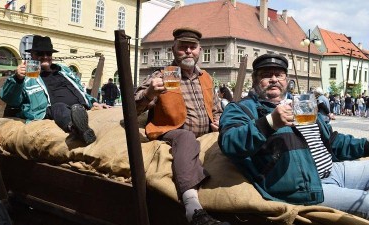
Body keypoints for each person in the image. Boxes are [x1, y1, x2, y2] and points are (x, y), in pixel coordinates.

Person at [218, 53, 369, 219]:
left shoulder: (300, 103)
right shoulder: (243, 108)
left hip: (334, 170)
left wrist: (366, 146)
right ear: (254, 80)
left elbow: (333, 142)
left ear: (286, 79)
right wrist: (269, 123)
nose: (274, 79)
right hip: (306, 188)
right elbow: (229, 143)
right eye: (266, 75)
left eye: (279, 75)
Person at [134, 27, 228, 225]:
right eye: (182, 47)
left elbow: (217, 109)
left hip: (205, 134)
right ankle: (193, 209)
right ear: (173, 49)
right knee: (186, 137)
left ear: (199, 50)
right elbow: (132, 109)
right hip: (170, 131)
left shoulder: (206, 77)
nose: (188, 51)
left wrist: (219, 122)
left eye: (192, 47)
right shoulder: (161, 75)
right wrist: (150, 94)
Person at [0, 35, 110, 145]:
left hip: (81, 109)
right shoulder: (27, 75)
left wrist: (94, 102)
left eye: (48, 53)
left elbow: (81, 90)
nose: (45, 56)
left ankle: (81, 120)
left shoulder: (64, 70)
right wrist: (17, 79)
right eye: (40, 53)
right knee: (59, 107)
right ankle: (77, 128)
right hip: (50, 112)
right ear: (32, 55)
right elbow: (10, 99)